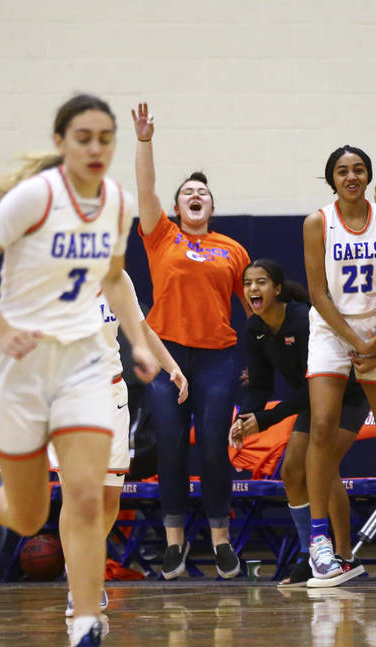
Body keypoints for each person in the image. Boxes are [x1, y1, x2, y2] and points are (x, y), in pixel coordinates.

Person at [0, 94, 158, 647]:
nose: (96, 148)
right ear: (62, 142)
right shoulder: (32, 199)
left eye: (105, 138)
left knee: (87, 498)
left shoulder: (115, 203)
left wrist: (140, 343)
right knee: (27, 516)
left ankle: (87, 639)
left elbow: (113, 276)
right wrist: (1, 328)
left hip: (85, 367)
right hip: (19, 368)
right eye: (84, 138)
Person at [131, 103, 252, 580]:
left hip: (217, 360)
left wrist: (257, 364)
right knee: (171, 447)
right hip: (167, 357)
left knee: (213, 451)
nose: (195, 195)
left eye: (202, 192)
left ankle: (221, 540)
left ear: (212, 207)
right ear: (178, 207)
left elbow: (255, 309)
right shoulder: (161, 236)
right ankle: (175, 540)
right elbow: (144, 189)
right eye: (187, 192)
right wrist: (145, 142)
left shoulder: (233, 250)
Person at [303, 145, 376, 584]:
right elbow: (317, 293)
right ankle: (321, 542)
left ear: (368, 175)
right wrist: (355, 341)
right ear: (331, 178)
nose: (351, 176)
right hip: (333, 331)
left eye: (358, 170)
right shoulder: (317, 222)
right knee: (321, 426)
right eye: (342, 170)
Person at [50, 271, 189, 615]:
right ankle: (80, 581)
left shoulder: (117, 277)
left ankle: (87, 562)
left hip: (112, 393)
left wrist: (171, 366)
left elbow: (139, 328)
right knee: (78, 494)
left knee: (110, 494)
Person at [229, 259, 369, 587]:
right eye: (248, 283)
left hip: (346, 393)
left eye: (260, 282)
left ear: (277, 289)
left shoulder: (305, 320)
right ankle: (312, 554)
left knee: (323, 466)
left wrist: (265, 419)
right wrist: (247, 416)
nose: (252, 289)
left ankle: (346, 558)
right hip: (313, 399)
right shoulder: (255, 328)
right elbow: (259, 384)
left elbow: (314, 385)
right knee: (292, 471)